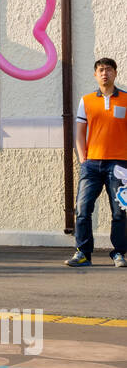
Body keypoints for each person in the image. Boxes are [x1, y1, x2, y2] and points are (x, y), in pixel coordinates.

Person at [65, 57, 127, 268]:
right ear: (95, 74)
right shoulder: (87, 100)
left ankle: (119, 253)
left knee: (120, 210)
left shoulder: (126, 99)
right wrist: (83, 157)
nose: (104, 73)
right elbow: (80, 133)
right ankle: (83, 252)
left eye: (108, 70)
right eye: (100, 70)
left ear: (115, 73)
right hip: (92, 164)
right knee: (82, 209)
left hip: (120, 164)